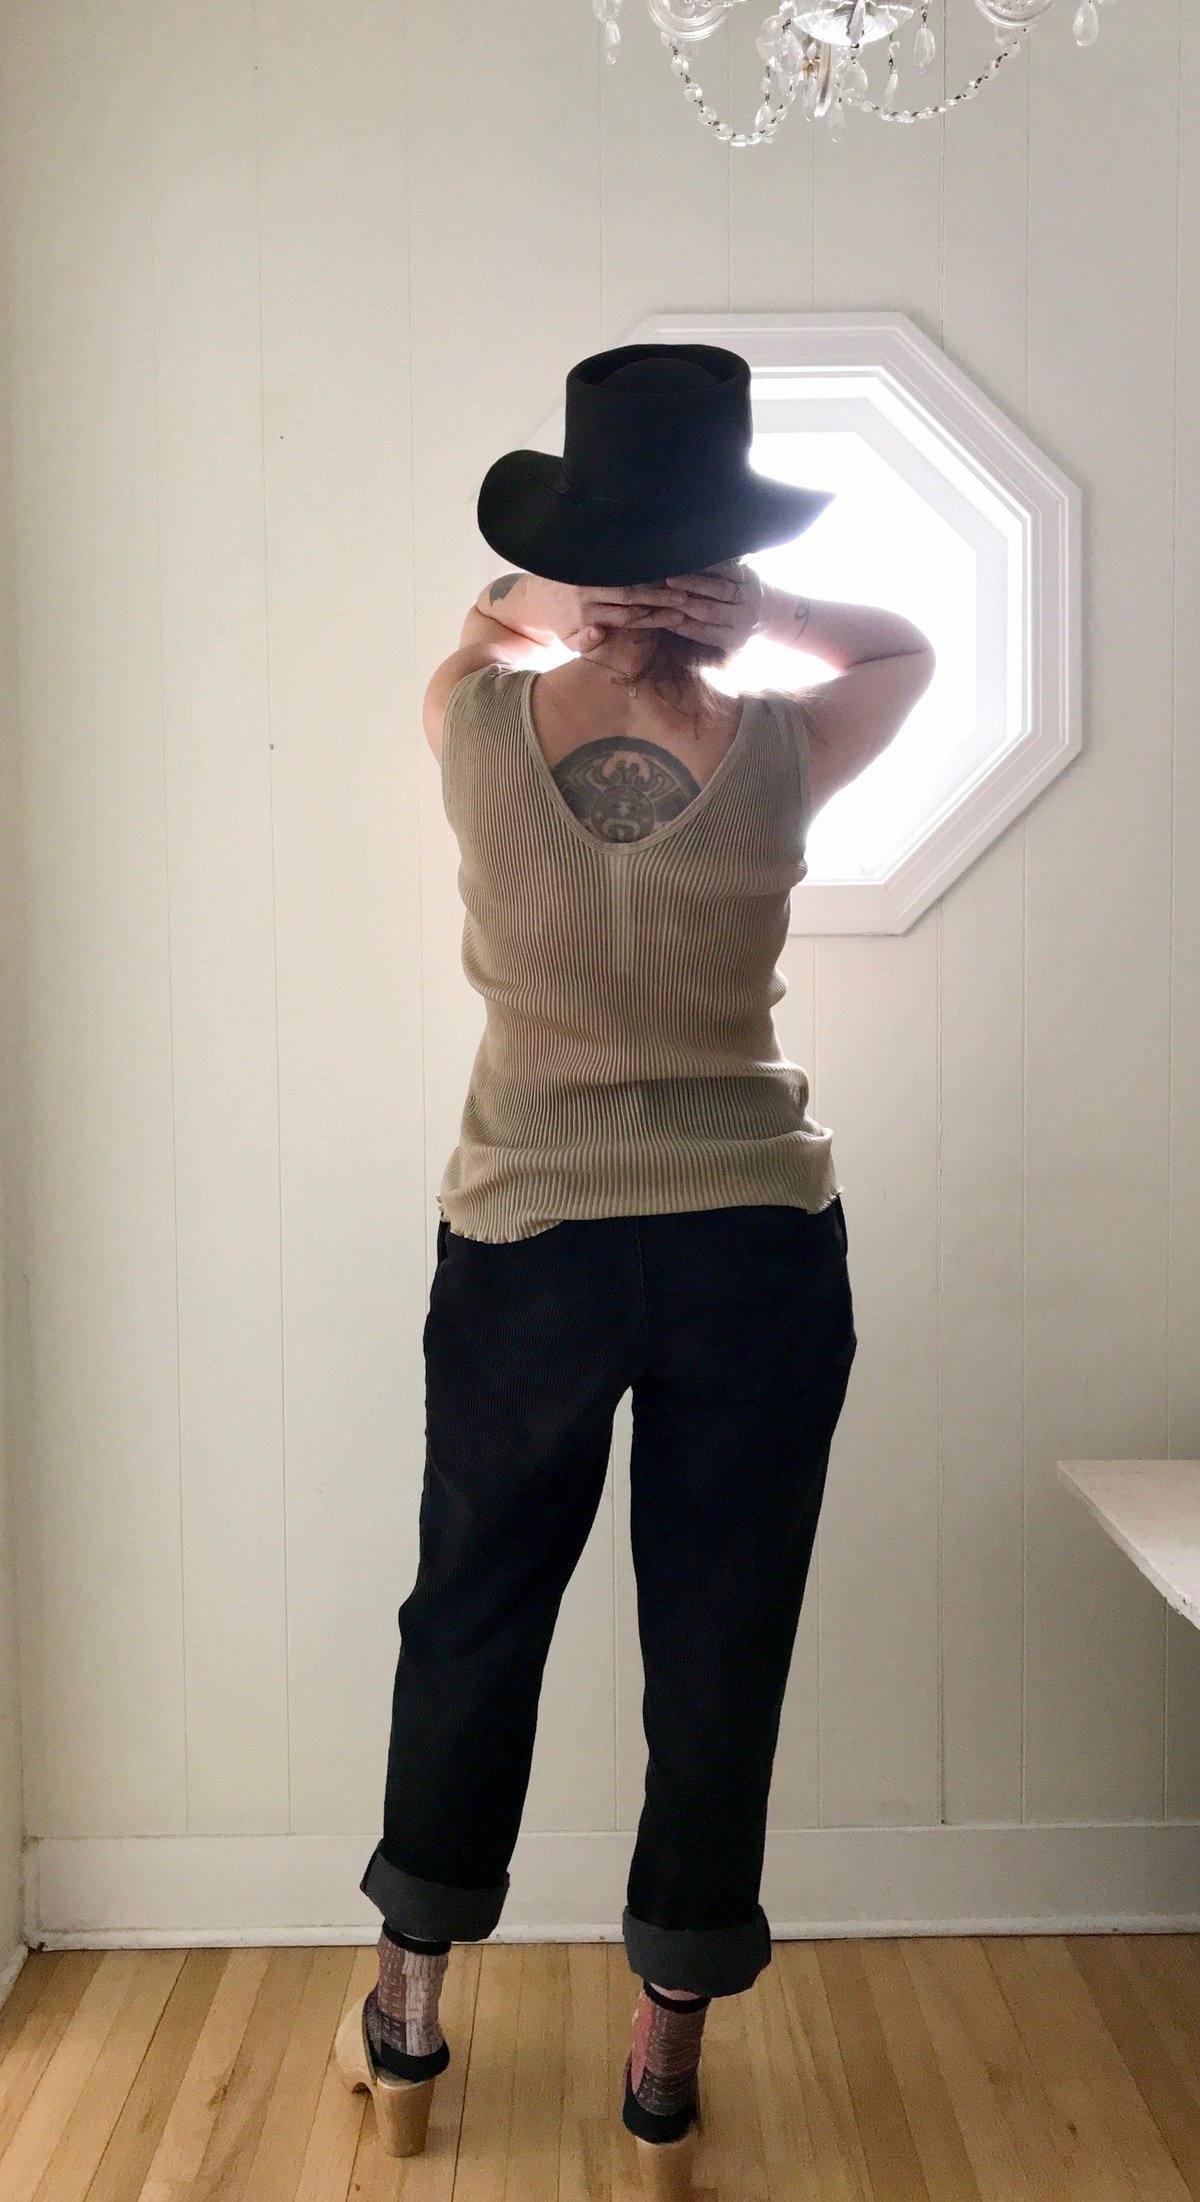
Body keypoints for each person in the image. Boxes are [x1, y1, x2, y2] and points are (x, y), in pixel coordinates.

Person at [336, 344, 936, 2187]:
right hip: (756, 1245)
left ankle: (408, 2012)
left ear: (582, 549)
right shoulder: (783, 747)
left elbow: (473, 634)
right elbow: (903, 650)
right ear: (724, 557)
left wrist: (551, 596)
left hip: (529, 1239)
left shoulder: (475, 729)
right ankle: (664, 2055)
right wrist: (767, 621)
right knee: (722, 1638)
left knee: (470, 1616)